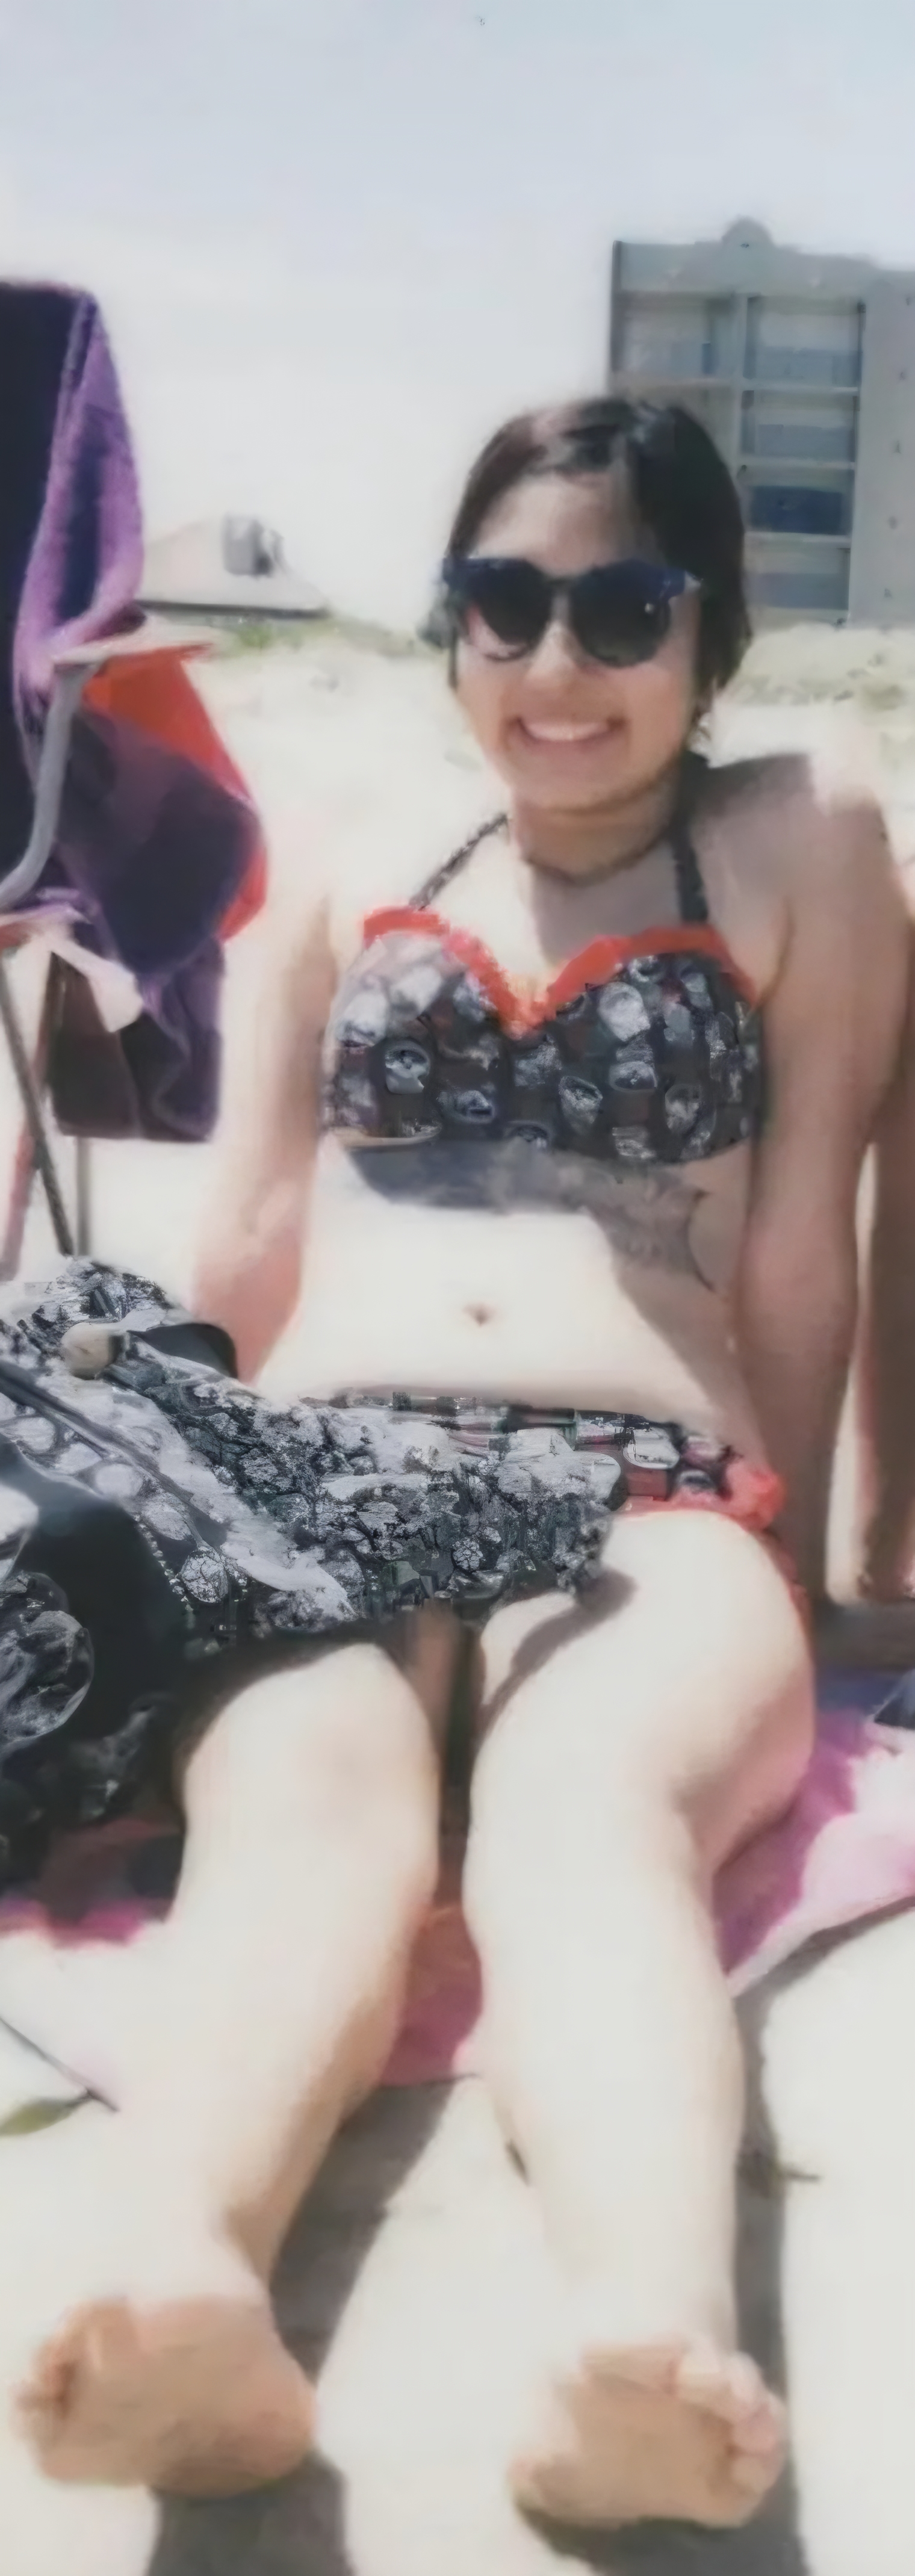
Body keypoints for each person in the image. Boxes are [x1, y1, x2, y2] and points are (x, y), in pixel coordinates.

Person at [13, 397, 908, 2528]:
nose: (555, 664)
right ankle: (184, 2287)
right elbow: (250, 1224)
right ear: (451, 622)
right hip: (326, 1465)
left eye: (624, 609)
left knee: (590, 1821)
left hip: (650, 1485)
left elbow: (807, 1247)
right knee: (302, 1806)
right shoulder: (356, 844)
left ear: (712, 636)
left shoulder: (806, 839)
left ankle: (648, 2345)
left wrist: (813, 1573)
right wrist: (184, 1494)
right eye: (505, 604)